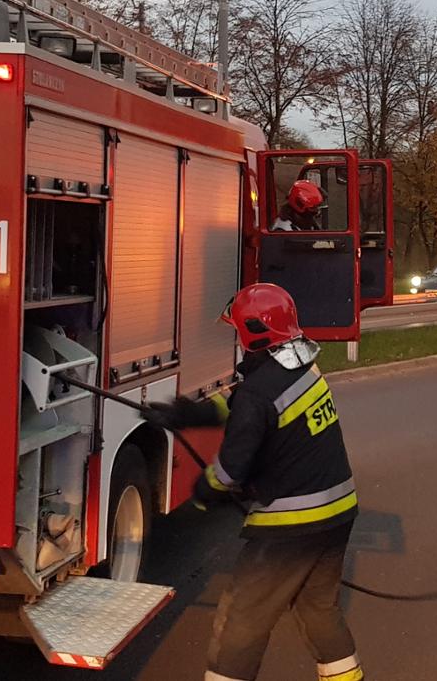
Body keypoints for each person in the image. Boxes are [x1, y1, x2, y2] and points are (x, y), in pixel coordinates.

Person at [146, 283, 363, 681]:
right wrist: (187, 415)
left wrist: (203, 493)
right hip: (337, 514)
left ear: (252, 333)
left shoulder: (259, 394)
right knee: (318, 610)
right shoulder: (301, 368)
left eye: (238, 330)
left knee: (241, 623)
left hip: (291, 527)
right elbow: (244, 405)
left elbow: (230, 471)